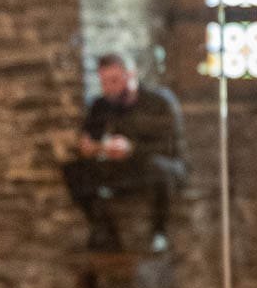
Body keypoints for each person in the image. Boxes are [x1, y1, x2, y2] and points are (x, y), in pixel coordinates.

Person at [63, 53, 187, 253]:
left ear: (130, 75)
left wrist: (132, 148)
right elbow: (90, 139)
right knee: (75, 170)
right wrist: (91, 147)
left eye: (114, 81)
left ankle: (159, 232)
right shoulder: (101, 105)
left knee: (157, 167)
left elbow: (170, 147)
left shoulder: (158, 103)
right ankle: (104, 230)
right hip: (123, 169)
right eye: (104, 82)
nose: (108, 88)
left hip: (156, 166)